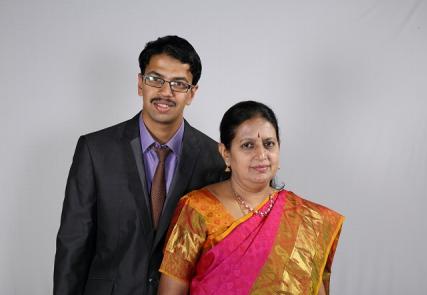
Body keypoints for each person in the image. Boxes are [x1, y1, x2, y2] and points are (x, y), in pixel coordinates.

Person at [53, 35, 225, 295]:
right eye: (155, 79)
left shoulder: (214, 158)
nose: (165, 92)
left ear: (192, 94)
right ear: (139, 84)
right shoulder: (95, 150)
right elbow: (73, 244)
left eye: (178, 84)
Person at [158, 100, 344, 295]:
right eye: (248, 145)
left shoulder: (307, 219)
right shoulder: (197, 208)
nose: (261, 154)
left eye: (269, 144)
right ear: (226, 153)